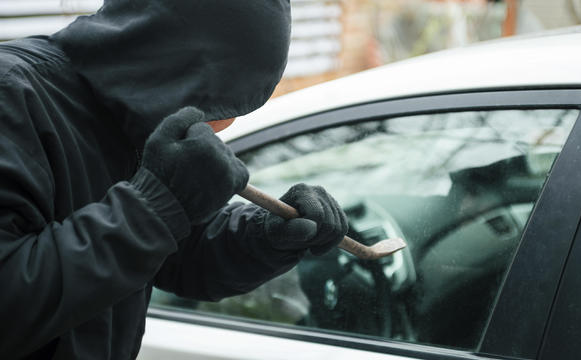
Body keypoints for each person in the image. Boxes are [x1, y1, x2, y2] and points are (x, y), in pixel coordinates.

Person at [0, 0, 348, 358]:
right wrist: (153, 208)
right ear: (170, 66)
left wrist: (265, 236)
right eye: (218, 103)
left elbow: (173, 257)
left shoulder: (127, 117)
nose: (221, 127)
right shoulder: (11, 93)